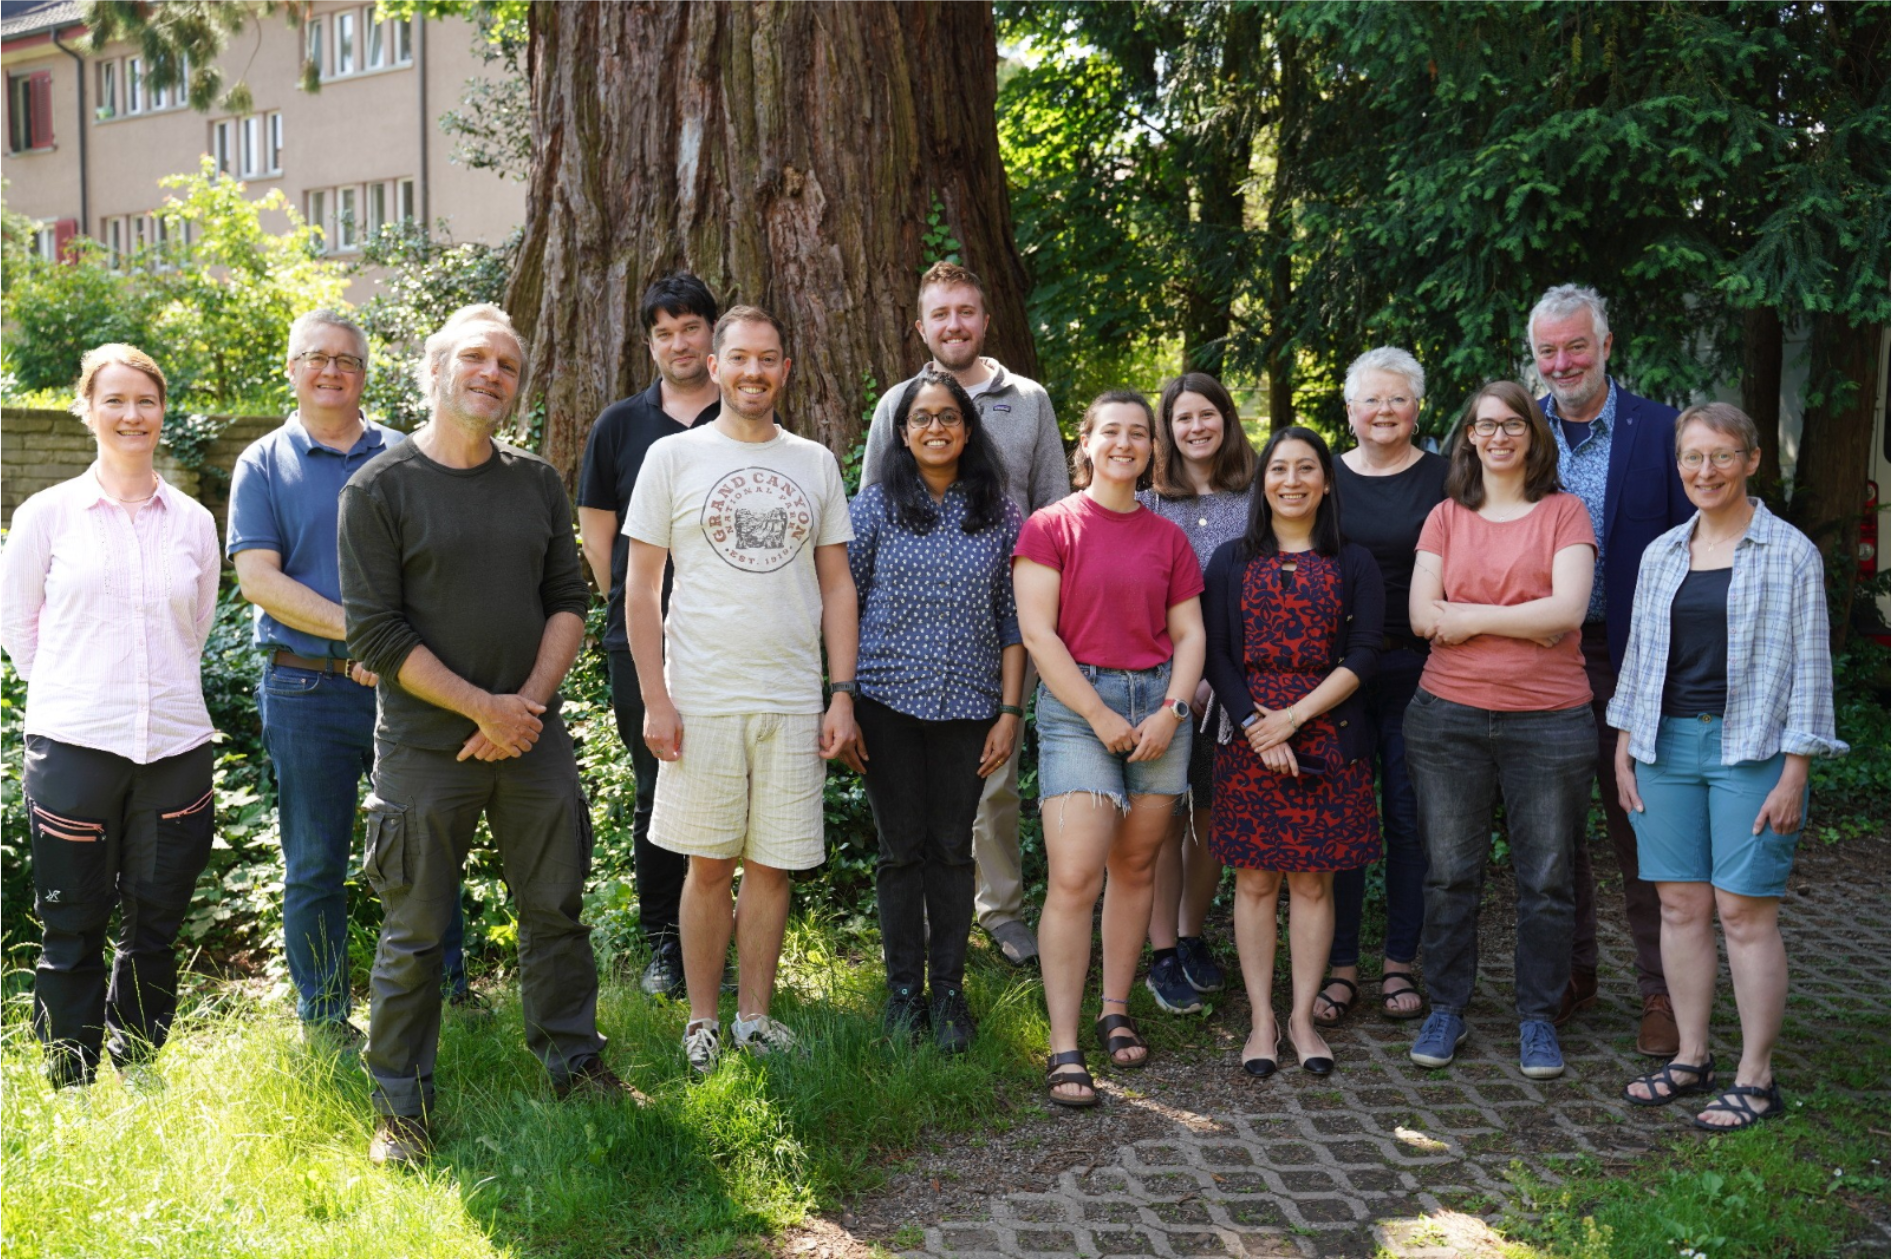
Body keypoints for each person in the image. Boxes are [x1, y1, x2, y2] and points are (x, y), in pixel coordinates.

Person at [340, 304, 633, 1168]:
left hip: (531, 738)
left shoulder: (537, 482)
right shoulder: (378, 490)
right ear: (435, 371)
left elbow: (570, 601)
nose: (491, 374)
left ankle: (574, 1065)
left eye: (506, 364)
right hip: (428, 751)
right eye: (475, 358)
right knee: (416, 932)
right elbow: (377, 637)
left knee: (556, 913)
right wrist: (482, 708)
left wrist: (524, 708)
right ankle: (402, 1110)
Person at [229, 310, 485, 1044]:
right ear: (292, 370)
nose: (331, 370)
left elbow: (439, 570)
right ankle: (322, 1015)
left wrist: (398, 651)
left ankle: (450, 993)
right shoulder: (263, 463)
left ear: (365, 373)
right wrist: (368, 632)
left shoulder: (408, 453)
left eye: (346, 359)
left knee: (426, 847)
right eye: (315, 357)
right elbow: (258, 580)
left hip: (405, 687)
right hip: (304, 688)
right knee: (315, 862)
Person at [624, 305, 859, 1074]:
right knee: (708, 866)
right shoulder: (672, 458)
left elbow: (837, 585)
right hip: (703, 697)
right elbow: (640, 588)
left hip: (793, 697)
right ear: (715, 368)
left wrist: (841, 691)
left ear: (785, 370)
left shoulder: (815, 462)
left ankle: (755, 1016)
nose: (754, 372)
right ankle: (702, 1021)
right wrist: (656, 697)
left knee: (772, 867)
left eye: (769, 359)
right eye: (741, 359)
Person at [1611, 403, 1847, 1129]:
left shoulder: (1790, 552)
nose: (1704, 471)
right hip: (1664, 748)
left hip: (1752, 749)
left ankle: (1756, 1075)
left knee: (1744, 914)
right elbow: (1642, 657)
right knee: (1680, 908)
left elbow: (1812, 669)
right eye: (1691, 458)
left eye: (1720, 456)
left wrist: (1795, 771)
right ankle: (1690, 1056)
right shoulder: (1662, 553)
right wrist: (1624, 745)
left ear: (1750, 460)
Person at [1, 344, 220, 1089]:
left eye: (147, 401)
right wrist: (77, 696)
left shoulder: (192, 522)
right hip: (74, 748)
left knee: (155, 925)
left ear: (163, 413)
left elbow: (197, 625)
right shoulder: (47, 515)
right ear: (86, 409)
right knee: (72, 926)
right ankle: (70, 1079)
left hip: (175, 749)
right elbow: (19, 630)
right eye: (116, 400)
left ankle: (140, 1066)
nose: (132, 415)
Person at [861, 261, 1069, 968]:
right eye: (941, 313)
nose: (955, 324)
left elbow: (1053, 509)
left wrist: (1043, 618)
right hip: (907, 639)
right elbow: (872, 514)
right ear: (922, 326)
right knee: (915, 803)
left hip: (1005, 624)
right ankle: (918, 929)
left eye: (966, 312)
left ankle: (1000, 912)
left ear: (985, 319)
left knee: (995, 780)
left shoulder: (1029, 400)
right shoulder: (897, 401)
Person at [1014, 390, 1206, 1108]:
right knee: (1074, 877)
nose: (1126, 443)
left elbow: (1190, 635)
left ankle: (1115, 1007)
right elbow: (1039, 636)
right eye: (1111, 431)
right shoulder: (1050, 526)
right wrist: (1098, 715)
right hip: (1076, 710)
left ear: (1153, 449)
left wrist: (1172, 711)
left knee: (1135, 867)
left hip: (1159, 710)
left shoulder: (1168, 538)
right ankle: (1065, 1045)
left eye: (1138, 434)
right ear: (1086, 442)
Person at [1404, 380, 1596, 1081]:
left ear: (1533, 436)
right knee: (1451, 875)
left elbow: (1567, 611)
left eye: (1513, 424)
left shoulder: (1565, 513)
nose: (1499, 436)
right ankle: (1446, 1006)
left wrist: (1473, 617)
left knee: (1546, 879)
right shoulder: (1446, 517)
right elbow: (1424, 616)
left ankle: (1538, 1017)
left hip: (1549, 720)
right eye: (1486, 426)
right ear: (1469, 439)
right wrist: (1520, 616)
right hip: (1448, 717)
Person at [1529, 284, 1692, 1057]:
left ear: (1606, 344)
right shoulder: (1518, 431)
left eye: (1576, 346)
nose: (1563, 363)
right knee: (1554, 832)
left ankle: (1661, 990)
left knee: (1641, 828)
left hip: (1633, 660)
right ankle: (1571, 974)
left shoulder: (1662, 431)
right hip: (1538, 659)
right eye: (1548, 351)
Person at [849, 367, 1026, 1053]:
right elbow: (843, 607)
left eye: (948, 417)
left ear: (968, 427)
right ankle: (902, 996)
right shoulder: (872, 508)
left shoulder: (1000, 513)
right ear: (901, 431)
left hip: (972, 708)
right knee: (901, 852)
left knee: (953, 851)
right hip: (885, 703)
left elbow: (1014, 621)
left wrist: (1010, 712)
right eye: (922, 418)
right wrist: (841, 699)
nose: (936, 428)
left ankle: (949, 993)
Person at [1202, 427, 1384, 1078]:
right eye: (1279, 469)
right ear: (1263, 480)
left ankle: (1304, 1017)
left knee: (1312, 882)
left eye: (1307, 468)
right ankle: (1261, 1018)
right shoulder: (1228, 560)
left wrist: (1297, 719)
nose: (1292, 480)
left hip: (1328, 734)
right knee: (1253, 881)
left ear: (1327, 482)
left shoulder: (1353, 562)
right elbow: (1217, 654)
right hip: (1249, 733)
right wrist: (1257, 726)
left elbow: (1365, 652)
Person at [576, 272, 722, 999]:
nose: (678, 343)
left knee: (734, 781)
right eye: (663, 332)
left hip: (736, 637)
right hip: (645, 639)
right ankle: (665, 941)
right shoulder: (620, 426)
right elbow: (598, 534)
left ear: (712, 334)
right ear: (650, 343)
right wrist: (629, 615)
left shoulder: (745, 415)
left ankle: (723, 939)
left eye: (689, 327)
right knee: (656, 785)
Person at [1318, 348, 1448, 1026]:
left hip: (1417, 670)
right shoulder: (1326, 478)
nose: (1385, 411)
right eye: (1371, 400)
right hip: (1338, 675)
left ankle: (1400, 963)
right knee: (1342, 819)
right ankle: (1341, 969)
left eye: (1398, 399)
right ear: (1350, 411)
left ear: (1417, 408)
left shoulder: (1448, 477)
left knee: (1405, 817)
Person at [1134, 372, 1257, 1015]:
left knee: (1210, 818)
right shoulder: (1149, 501)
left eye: (1207, 415)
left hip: (1231, 691)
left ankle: (1189, 937)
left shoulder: (1255, 495)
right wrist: (1182, 679)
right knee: (1156, 823)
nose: (1196, 428)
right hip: (1161, 685)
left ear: (1226, 420)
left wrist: (1220, 679)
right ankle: (1158, 953)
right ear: (1166, 429)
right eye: (1183, 418)